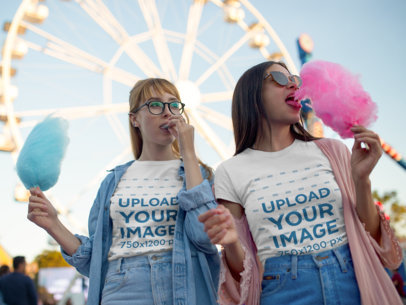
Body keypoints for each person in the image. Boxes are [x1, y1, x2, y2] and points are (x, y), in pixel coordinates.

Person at [199, 61, 403, 305]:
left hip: (352, 280)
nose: (294, 84)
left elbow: (373, 236)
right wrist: (231, 241)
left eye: (295, 79)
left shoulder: (332, 150)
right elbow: (240, 273)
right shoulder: (229, 172)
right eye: (279, 78)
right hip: (283, 289)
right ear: (251, 95)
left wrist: (362, 180)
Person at [27, 78, 220, 305]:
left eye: (174, 104)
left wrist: (188, 152)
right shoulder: (112, 183)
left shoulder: (200, 175)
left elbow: (205, 235)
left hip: (185, 288)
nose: (168, 112)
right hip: (122, 290)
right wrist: (53, 224)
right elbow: (96, 261)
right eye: (155, 105)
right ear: (134, 119)